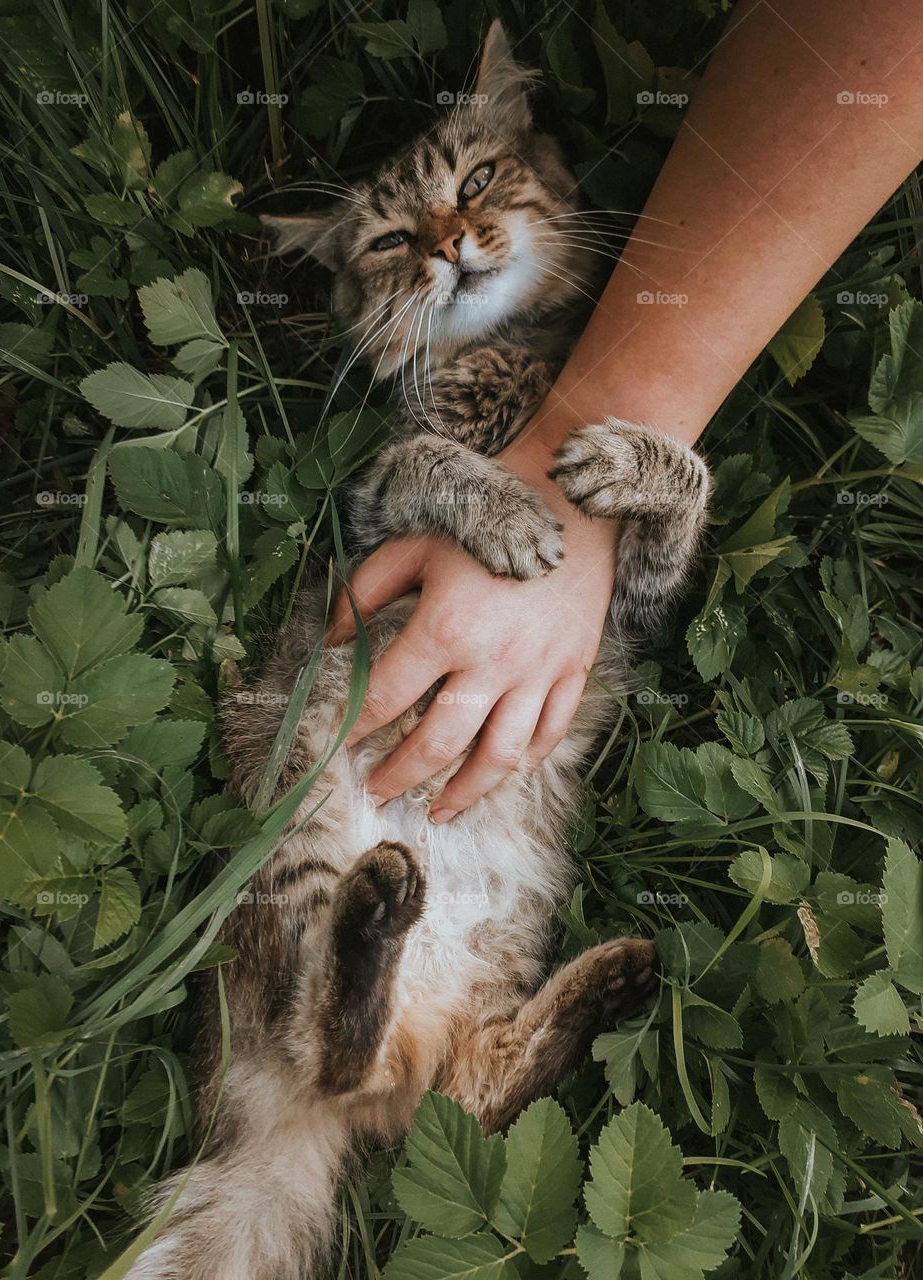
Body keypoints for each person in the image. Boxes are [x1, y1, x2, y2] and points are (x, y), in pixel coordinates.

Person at [328, 0, 923, 821]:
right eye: (390, 243)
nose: (446, 239)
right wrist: (667, 484)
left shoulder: (635, 314)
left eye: (473, 184)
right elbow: (382, 508)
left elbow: (629, 609)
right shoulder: (431, 394)